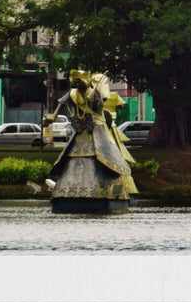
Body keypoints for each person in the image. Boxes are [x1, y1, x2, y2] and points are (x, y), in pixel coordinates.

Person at [47, 70, 138, 213]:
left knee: (106, 156)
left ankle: (110, 193)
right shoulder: (72, 94)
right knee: (71, 158)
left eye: (80, 82)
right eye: (75, 82)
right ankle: (67, 193)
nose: (78, 85)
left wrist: (97, 99)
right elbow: (61, 103)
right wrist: (52, 116)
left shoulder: (93, 94)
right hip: (81, 132)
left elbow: (99, 110)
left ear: (86, 82)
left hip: (97, 128)